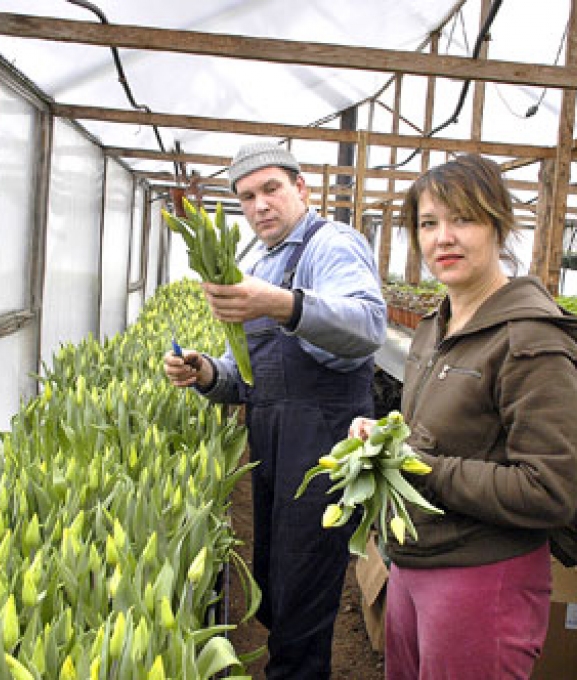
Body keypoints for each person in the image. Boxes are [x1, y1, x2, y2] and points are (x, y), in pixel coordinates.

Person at [349, 154, 577, 680]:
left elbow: (550, 489)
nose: (443, 238)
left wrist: (422, 467)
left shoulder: (533, 340)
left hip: (481, 576)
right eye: (428, 223)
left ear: (498, 224)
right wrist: (385, 440)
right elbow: (436, 432)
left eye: (463, 219)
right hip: (416, 560)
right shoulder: (436, 325)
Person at [163, 141, 387, 679]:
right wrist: (207, 372)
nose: (260, 204)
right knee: (273, 571)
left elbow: (368, 324)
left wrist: (283, 303)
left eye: (272, 189)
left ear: (300, 189)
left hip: (323, 438)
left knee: (305, 581)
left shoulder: (331, 244)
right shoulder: (259, 260)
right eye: (246, 196)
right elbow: (253, 373)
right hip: (272, 434)